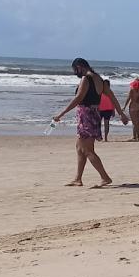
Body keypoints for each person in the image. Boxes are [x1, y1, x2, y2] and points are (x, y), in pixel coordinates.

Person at [52, 57, 113, 187]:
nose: (75, 73)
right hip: (94, 115)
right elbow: (111, 95)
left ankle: (105, 177)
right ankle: (78, 179)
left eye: (75, 70)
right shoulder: (98, 78)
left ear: (79, 67)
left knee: (87, 150)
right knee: (80, 148)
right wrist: (121, 113)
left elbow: (78, 98)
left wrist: (61, 113)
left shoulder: (86, 78)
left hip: (86, 116)